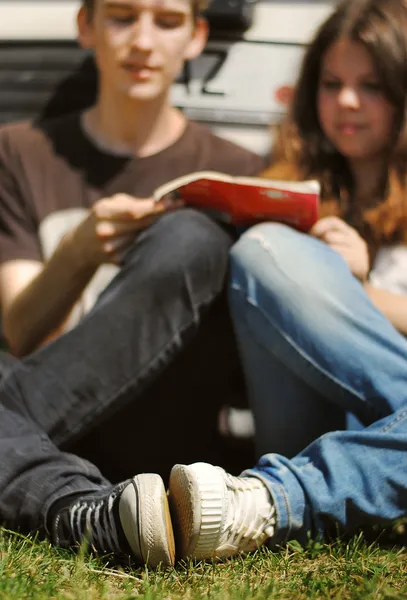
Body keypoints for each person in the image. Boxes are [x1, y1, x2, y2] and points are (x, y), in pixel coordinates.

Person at [0, 0, 265, 567]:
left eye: (166, 21)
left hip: (168, 425)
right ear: (85, 26)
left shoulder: (239, 168)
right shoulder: (20, 152)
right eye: (122, 16)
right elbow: (19, 332)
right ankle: (88, 508)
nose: (143, 41)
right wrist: (77, 253)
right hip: (52, 431)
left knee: (191, 238)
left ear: (196, 37)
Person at [166, 0, 407, 562]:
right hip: (314, 424)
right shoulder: (286, 185)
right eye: (331, 83)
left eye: (371, 85)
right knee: (263, 250)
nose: (347, 102)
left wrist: (357, 289)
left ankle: (265, 500)